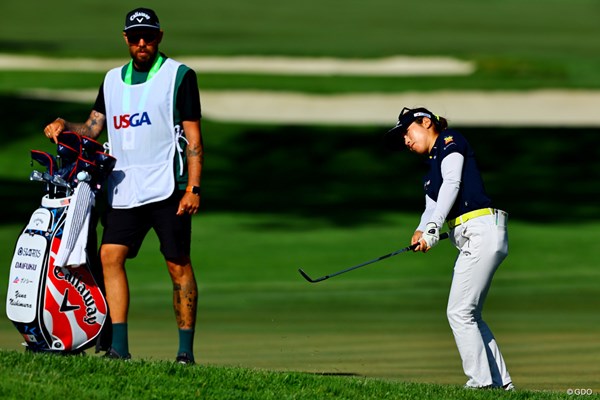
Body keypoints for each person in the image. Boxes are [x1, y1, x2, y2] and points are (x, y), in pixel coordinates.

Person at [43, 7, 203, 365]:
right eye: (135, 37)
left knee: (177, 264)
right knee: (109, 256)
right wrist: (63, 126)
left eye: (148, 36)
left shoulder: (179, 76)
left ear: (160, 36)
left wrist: (193, 187)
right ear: (126, 40)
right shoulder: (112, 80)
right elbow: (92, 128)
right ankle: (119, 346)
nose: (142, 42)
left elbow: (192, 136)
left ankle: (185, 352)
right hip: (124, 186)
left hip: (167, 185)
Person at [384, 107, 514, 390]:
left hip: (481, 230)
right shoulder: (431, 171)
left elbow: (453, 183)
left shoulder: (450, 140)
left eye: (407, 132)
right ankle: (502, 385)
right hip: (475, 235)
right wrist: (422, 228)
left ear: (426, 122)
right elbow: (432, 205)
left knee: (459, 313)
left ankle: (481, 384)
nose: (405, 141)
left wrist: (434, 228)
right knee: (469, 315)